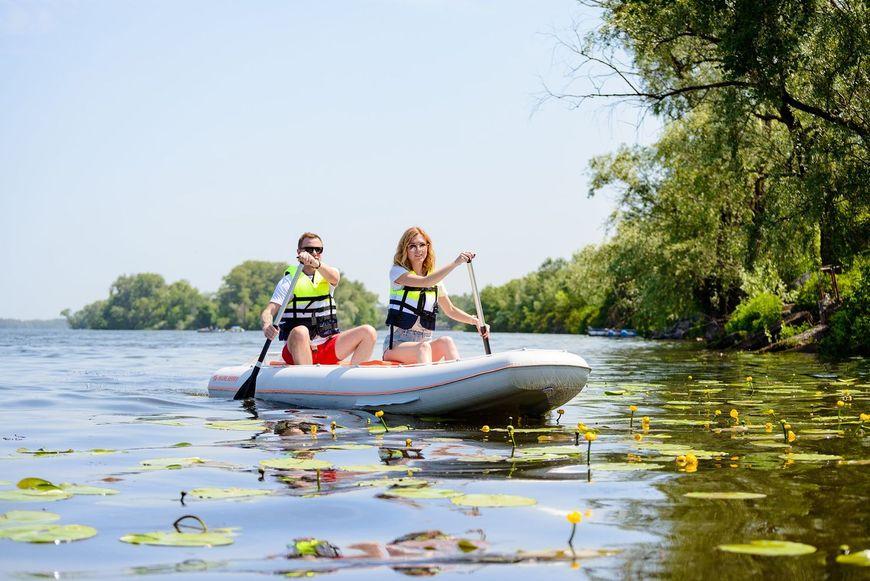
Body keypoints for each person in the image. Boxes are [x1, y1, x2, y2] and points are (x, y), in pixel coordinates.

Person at [261, 232, 377, 365]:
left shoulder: (329, 274)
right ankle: (307, 378)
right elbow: (268, 311)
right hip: (296, 350)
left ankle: (353, 378)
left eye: (318, 249)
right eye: (309, 250)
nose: (314, 252)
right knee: (300, 331)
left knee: (369, 332)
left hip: (327, 348)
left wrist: (316, 264)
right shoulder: (288, 282)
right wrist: (266, 326)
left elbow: (335, 278)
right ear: (299, 252)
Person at [383, 226, 490, 364]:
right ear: (405, 249)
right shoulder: (397, 272)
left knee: (446, 341)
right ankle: (428, 384)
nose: (418, 250)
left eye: (422, 245)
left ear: (428, 247)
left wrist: (476, 321)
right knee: (424, 347)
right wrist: (455, 263)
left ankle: (458, 381)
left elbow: (450, 310)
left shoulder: (435, 280)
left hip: (423, 345)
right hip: (396, 345)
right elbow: (425, 282)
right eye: (412, 246)